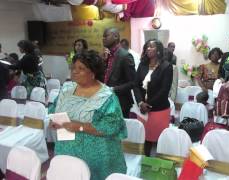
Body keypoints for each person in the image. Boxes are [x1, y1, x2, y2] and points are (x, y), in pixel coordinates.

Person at [49, 50, 127, 180]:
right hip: (67, 148)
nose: (74, 71)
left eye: (81, 68)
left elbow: (112, 126)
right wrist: (55, 121)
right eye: (73, 67)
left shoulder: (106, 97)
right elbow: (54, 108)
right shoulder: (67, 90)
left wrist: (79, 127)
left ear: (93, 73)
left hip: (96, 155)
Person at [134, 39, 173, 156]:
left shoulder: (166, 66)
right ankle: (145, 163)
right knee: (145, 139)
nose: (148, 49)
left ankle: (159, 166)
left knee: (160, 141)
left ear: (159, 50)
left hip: (159, 110)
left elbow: (164, 90)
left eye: (152, 47)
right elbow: (135, 85)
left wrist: (148, 104)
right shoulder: (142, 65)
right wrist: (140, 103)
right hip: (142, 110)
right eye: (147, 47)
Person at [103, 27, 136, 118]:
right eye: (103, 37)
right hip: (107, 101)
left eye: (106, 36)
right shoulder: (108, 55)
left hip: (121, 102)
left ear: (116, 36)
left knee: (119, 131)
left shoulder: (125, 56)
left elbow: (133, 82)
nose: (103, 38)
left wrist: (113, 89)